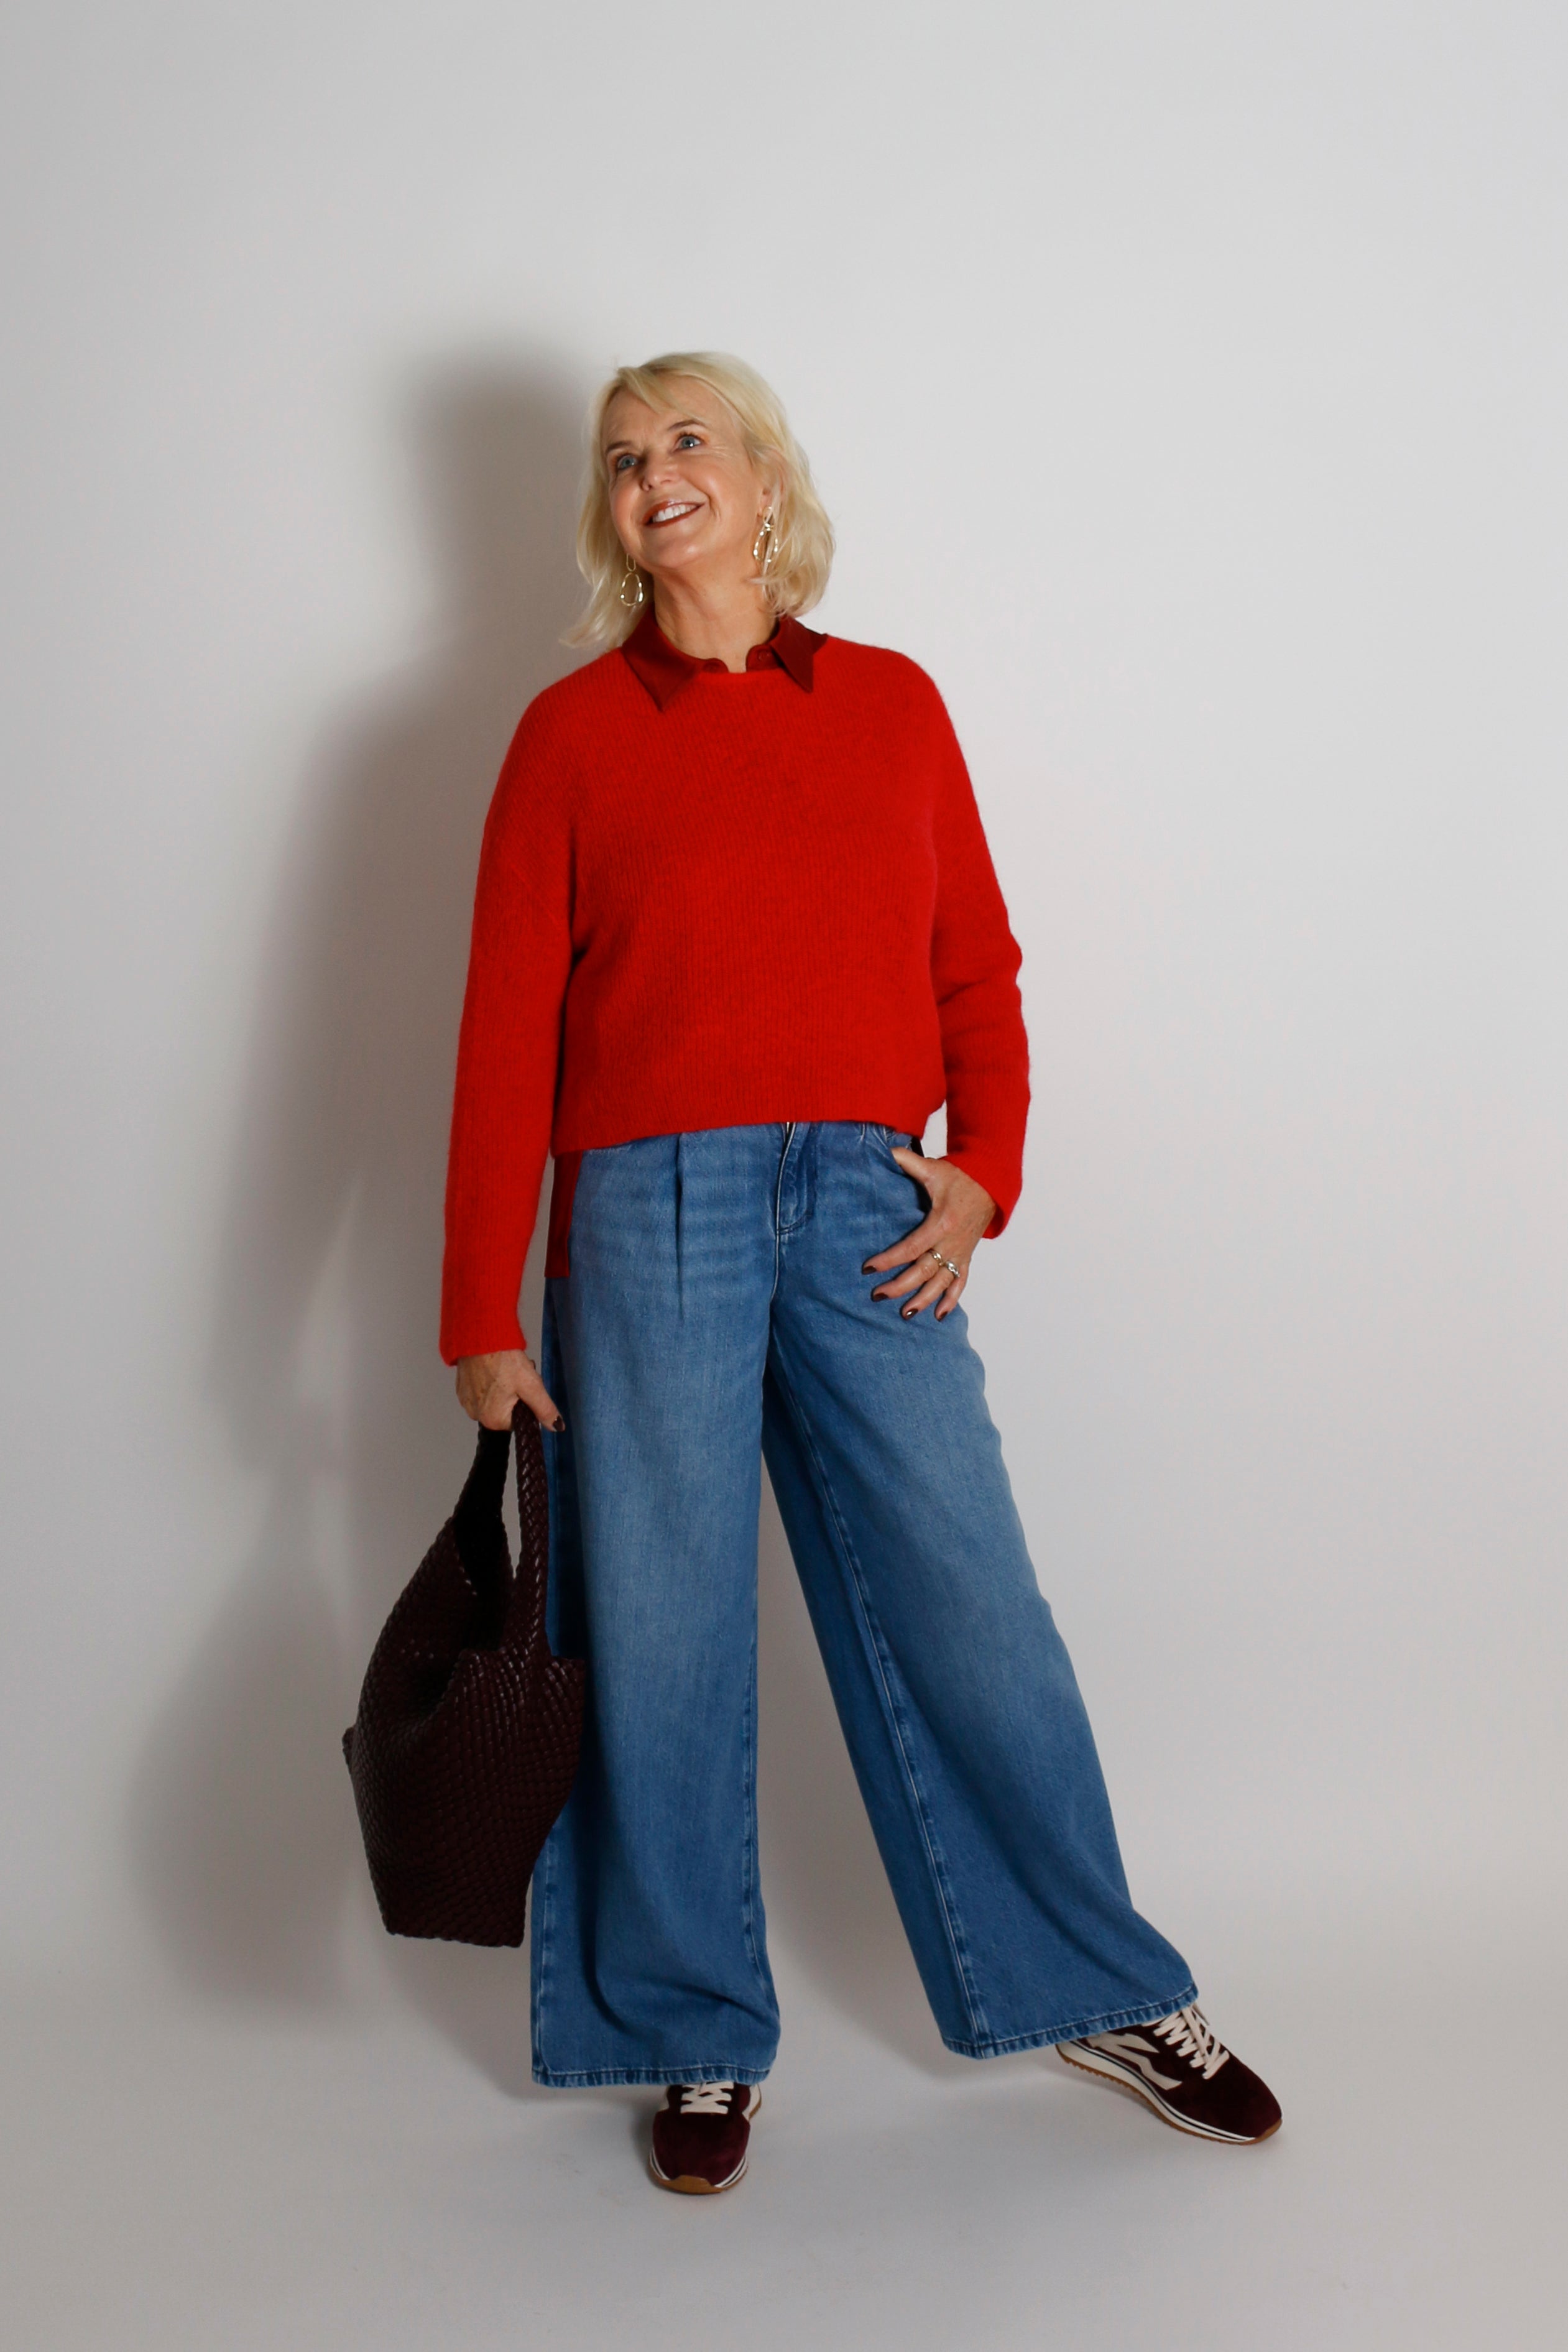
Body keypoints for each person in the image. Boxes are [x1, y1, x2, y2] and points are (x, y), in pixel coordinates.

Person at [440, 351, 1281, 2195]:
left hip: (864, 1204)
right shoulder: (570, 733)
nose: (654, 473)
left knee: (970, 1602)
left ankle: (1097, 1987)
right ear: (610, 514)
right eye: (622, 457)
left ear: (762, 479)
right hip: (643, 1209)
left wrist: (986, 1174)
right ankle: (688, 2027)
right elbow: (505, 1032)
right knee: (658, 1629)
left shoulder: (891, 703)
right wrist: (479, 1311)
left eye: (688, 440)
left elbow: (976, 967)